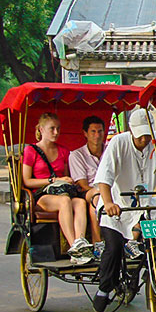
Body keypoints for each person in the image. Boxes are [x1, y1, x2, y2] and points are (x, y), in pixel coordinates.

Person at [92, 109, 156, 312]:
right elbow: (104, 177)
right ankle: (104, 288)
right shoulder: (118, 143)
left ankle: (154, 273)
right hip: (118, 207)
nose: (145, 139)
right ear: (131, 131)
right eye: (141, 136)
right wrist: (109, 202)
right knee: (113, 247)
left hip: (147, 207)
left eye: (148, 134)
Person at [21, 112, 92, 264]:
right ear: (40, 129)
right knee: (65, 201)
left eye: (58, 129)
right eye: (52, 129)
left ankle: (80, 243)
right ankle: (74, 247)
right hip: (41, 195)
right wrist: (52, 180)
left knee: (79, 203)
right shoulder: (31, 151)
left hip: (61, 192)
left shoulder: (63, 151)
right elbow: (27, 181)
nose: (56, 132)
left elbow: (66, 179)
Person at [69, 115, 106, 258]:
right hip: (87, 192)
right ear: (85, 133)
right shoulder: (77, 155)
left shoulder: (110, 151)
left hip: (109, 190)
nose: (97, 135)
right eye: (93, 132)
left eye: (100, 131)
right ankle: (98, 242)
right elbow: (83, 184)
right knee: (97, 197)